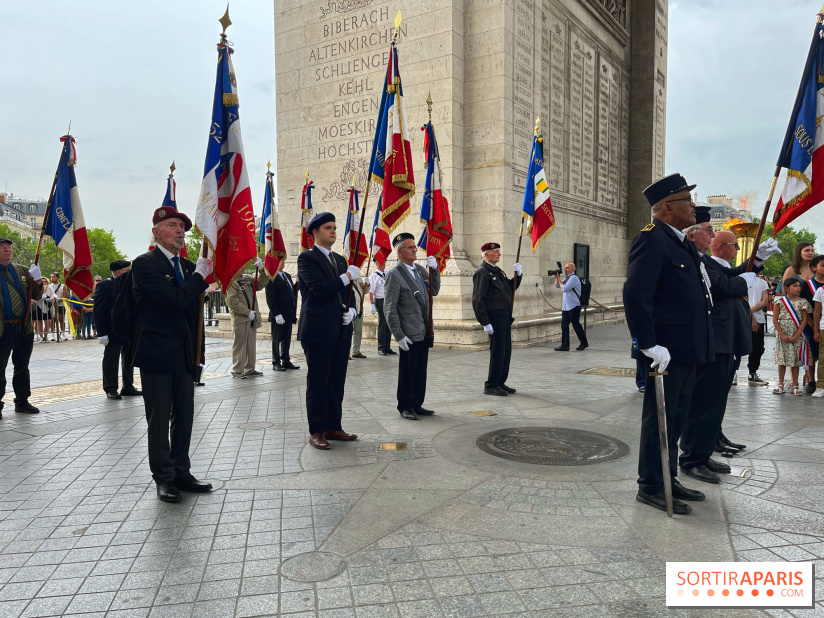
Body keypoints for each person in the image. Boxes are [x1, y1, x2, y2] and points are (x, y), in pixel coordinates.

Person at [623, 173, 713, 515]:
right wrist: (647, 344)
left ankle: (667, 475)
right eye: (686, 201)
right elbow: (636, 293)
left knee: (675, 417)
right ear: (666, 207)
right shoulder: (652, 239)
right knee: (659, 418)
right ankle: (650, 485)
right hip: (667, 350)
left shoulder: (682, 242)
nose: (692, 206)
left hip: (687, 348)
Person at [131, 207, 214, 502]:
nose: (179, 230)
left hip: (183, 355)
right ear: (156, 231)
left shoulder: (190, 267)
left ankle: (181, 470)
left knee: (185, 416)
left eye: (182, 226)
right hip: (156, 354)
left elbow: (194, 317)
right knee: (159, 418)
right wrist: (199, 279)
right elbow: (174, 300)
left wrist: (198, 355)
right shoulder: (144, 265)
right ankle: (164, 478)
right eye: (172, 225)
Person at [679, 230, 758, 484]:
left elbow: (729, 275)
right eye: (708, 232)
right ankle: (692, 458)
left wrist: (755, 262)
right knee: (703, 403)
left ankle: (702, 453)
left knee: (715, 403)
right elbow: (721, 286)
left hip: (725, 342)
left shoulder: (706, 261)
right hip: (713, 342)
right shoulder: (700, 261)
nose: (711, 237)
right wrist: (745, 280)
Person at [296, 212, 360, 450]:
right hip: (318, 330)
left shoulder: (340, 260)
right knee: (319, 381)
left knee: (336, 381)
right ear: (315, 232)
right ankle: (317, 430)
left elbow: (348, 293)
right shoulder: (307, 258)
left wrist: (351, 310)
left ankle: (334, 425)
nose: (333, 231)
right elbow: (317, 289)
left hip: (341, 330)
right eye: (327, 228)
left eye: (334, 227)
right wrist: (346, 277)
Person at [383, 233, 441, 420]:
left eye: (415, 246)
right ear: (400, 252)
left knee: (420, 371)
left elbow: (435, 290)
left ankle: (417, 403)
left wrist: (436, 270)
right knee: (407, 371)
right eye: (410, 247)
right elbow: (389, 308)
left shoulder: (418, 270)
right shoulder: (394, 274)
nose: (415, 249)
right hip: (408, 332)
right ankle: (405, 406)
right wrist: (398, 335)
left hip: (424, 329)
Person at [0, 238, 44, 419]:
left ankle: (22, 401)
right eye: (2, 248)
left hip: (23, 327)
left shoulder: (22, 271)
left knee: (22, 366)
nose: (7, 250)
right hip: (3, 329)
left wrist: (38, 280)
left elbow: (36, 294)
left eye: (9, 247)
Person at [471, 242, 522, 396]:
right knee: (498, 351)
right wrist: (485, 322)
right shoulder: (482, 272)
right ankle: (491, 384)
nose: (499, 254)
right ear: (486, 254)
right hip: (494, 318)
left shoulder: (498, 271)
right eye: (496, 252)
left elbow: (510, 288)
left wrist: (518, 275)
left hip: (505, 316)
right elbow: (478, 299)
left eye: (499, 251)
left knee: (506, 351)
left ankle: (500, 382)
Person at [94, 260, 142, 400]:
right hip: (111, 329)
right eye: (125, 271)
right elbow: (99, 309)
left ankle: (128, 386)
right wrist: (101, 332)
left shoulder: (131, 283)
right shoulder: (105, 285)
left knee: (129, 358)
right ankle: (110, 388)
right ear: (117, 271)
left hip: (127, 327)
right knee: (111, 359)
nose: (128, 273)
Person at [225, 260, 269, 379]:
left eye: (243, 266)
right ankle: (237, 371)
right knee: (240, 345)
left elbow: (261, 283)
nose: (243, 268)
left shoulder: (247, 279)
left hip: (251, 317)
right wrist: (247, 311)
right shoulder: (230, 282)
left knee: (250, 344)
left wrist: (261, 270)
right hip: (241, 318)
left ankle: (250, 368)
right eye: (240, 266)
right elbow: (232, 302)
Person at [773, 278, 812, 395]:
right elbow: (775, 319)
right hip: (783, 333)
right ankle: (780, 384)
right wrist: (781, 334)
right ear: (786, 288)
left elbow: (805, 319)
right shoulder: (779, 301)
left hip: (797, 333)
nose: (798, 288)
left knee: (795, 360)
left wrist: (797, 334)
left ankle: (795, 384)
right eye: (794, 286)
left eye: (799, 286)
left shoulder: (803, 302)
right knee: (782, 359)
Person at [265, 259, 300, 372]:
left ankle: (285, 359)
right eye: (280, 262)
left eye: (283, 261)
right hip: (278, 314)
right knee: (276, 339)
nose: (283, 263)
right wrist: (276, 314)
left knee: (287, 337)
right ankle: (276, 362)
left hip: (288, 312)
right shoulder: (272, 277)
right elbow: (270, 299)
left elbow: (291, 292)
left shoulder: (287, 276)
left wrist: (298, 283)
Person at [799, 254, 824, 393]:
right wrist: (812, 326)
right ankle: (811, 380)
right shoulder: (807, 285)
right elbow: (804, 306)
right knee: (811, 353)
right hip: (810, 323)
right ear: (814, 267)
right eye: (823, 265)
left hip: (823, 323)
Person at [553, 263, 588, 351]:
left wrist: (559, 280)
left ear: (572, 270)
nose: (565, 269)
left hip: (574, 305)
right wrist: (557, 278)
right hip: (566, 306)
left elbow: (564, 288)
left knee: (576, 325)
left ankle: (584, 343)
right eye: (565, 268)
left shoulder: (574, 278)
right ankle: (565, 345)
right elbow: (557, 285)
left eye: (567, 268)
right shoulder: (568, 278)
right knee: (564, 325)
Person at [746, 269, 770, 385]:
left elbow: (764, 301)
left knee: (758, 347)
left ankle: (753, 371)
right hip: (741, 317)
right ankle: (733, 372)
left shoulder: (762, 282)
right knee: (736, 346)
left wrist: (751, 312)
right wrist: (750, 317)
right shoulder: (739, 279)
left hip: (758, 318)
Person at [368, 256, 394, 356]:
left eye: (384, 264)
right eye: (380, 264)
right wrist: (372, 305)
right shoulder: (373, 276)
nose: (382, 266)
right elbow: (370, 292)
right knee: (383, 324)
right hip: (380, 301)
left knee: (389, 323)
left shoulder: (387, 273)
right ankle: (381, 347)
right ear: (376, 264)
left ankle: (387, 346)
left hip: (389, 300)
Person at [46, 272, 68, 340]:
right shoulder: (49, 286)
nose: (52, 278)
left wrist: (57, 301)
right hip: (52, 305)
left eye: (54, 276)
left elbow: (64, 296)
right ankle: (53, 335)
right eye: (51, 277)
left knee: (61, 319)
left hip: (60, 305)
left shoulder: (63, 286)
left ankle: (63, 333)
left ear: (58, 277)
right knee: (53, 320)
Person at [350, 277, 367, 359]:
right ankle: (345, 352)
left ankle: (356, 351)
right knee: (348, 332)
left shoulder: (359, 279)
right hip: (351, 309)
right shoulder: (347, 278)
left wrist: (367, 285)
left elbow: (365, 291)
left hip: (359, 309)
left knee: (358, 331)